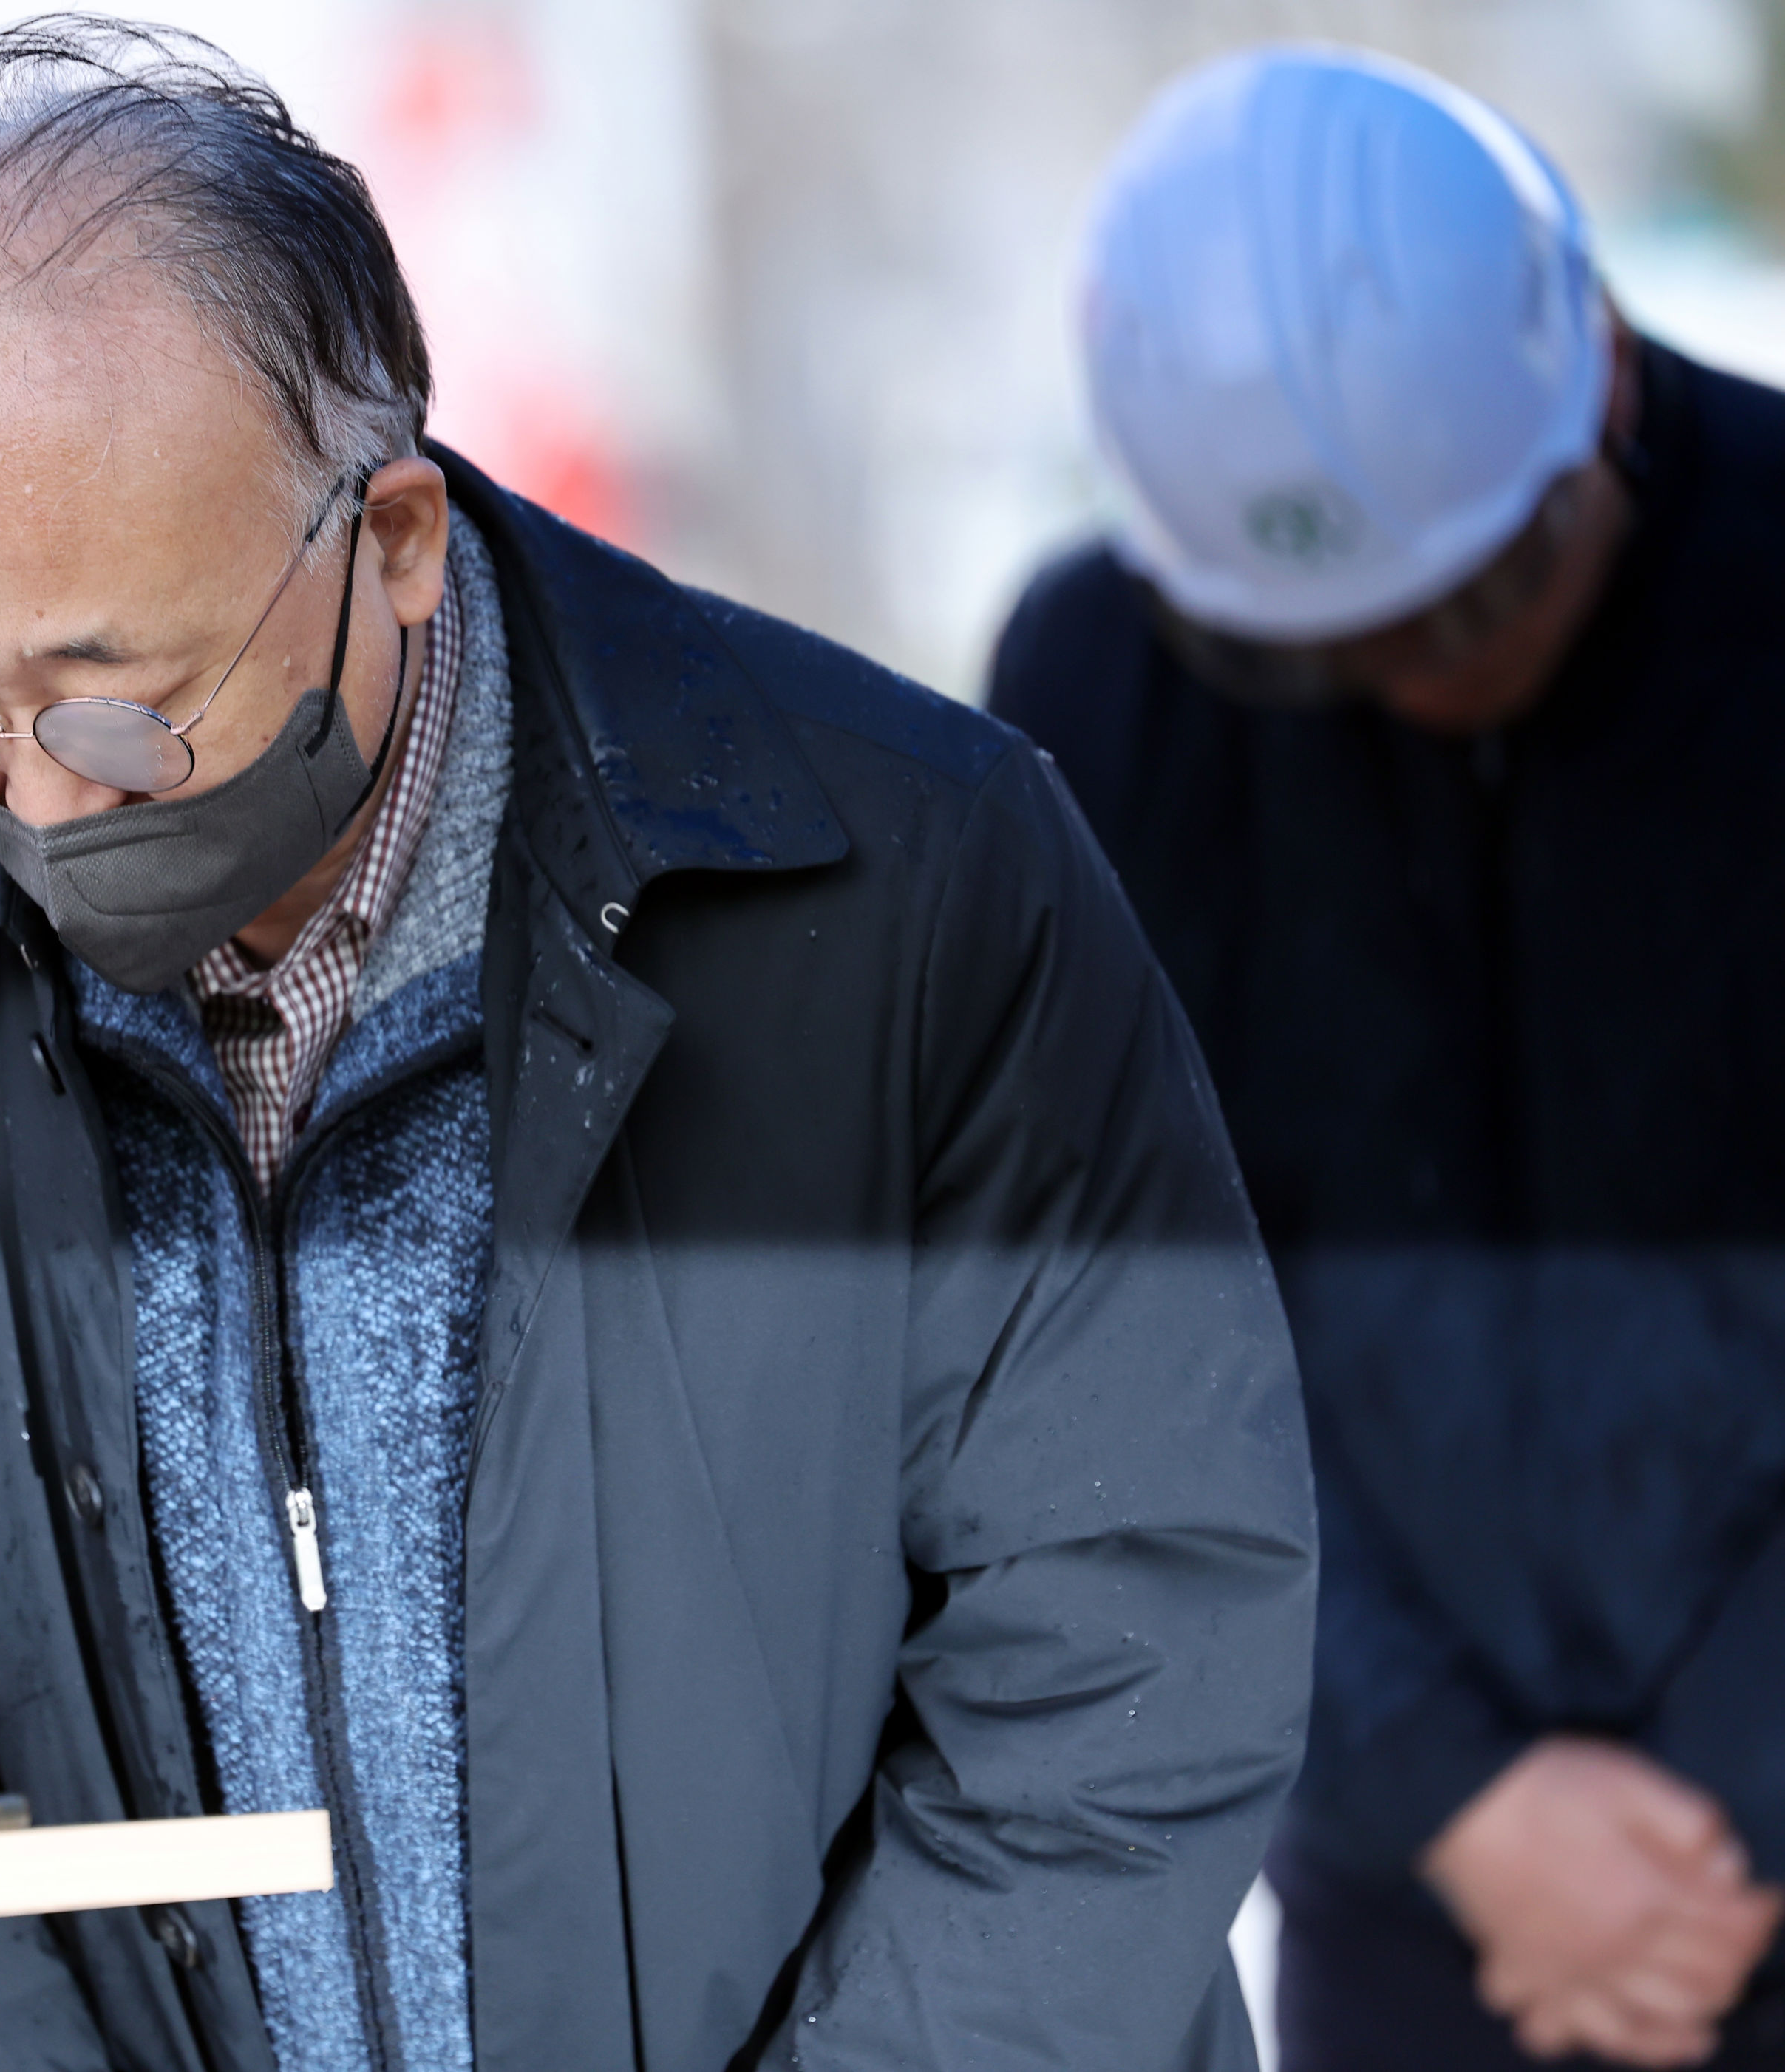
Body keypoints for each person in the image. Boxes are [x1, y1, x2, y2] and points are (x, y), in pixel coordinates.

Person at [0, 21, 1317, 2070]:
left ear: (393, 538)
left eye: (112, 703)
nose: (35, 808)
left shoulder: (909, 888)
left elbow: (1122, 1637)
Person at [990, 47, 1785, 2072]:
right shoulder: (1099, 695)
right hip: (1413, 1869)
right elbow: (1089, 1322)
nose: (1433, 670)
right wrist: (1443, 1787)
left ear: (1596, 380)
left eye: (1488, 592)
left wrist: (1716, 1807)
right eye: (1330, 645)